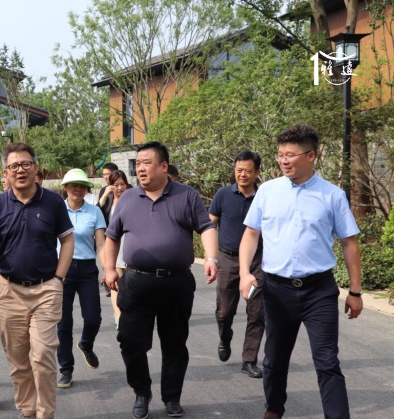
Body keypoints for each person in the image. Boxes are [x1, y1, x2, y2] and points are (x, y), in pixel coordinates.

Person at [239, 125, 363, 419]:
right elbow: (251, 234)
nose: (284, 160)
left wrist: (355, 291)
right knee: (274, 358)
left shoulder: (332, 195)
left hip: (318, 290)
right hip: (277, 289)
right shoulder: (268, 191)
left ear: (311, 156)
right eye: (280, 154)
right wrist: (244, 272)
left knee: (327, 361)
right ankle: (273, 409)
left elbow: (349, 243)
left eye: (290, 155)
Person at [104, 141, 218, 419]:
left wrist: (211, 258)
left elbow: (206, 227)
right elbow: (112, 236)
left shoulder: (186, 195)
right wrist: (109, 268)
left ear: (164, 166)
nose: (140, 169)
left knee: (175, 343)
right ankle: (141, 392)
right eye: (138, 164)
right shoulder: (128, 198)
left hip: (176, 283)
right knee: (130, 341)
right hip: (136, 281)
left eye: (147, 163)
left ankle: (172, 397)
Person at [0, 142, 74, 419]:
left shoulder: (53, 202)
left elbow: (67, 240)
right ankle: (27, 411)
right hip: (9, 290)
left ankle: (45, 414)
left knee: (42, 356)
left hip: (46, 289)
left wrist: (59, 278)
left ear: (35, 168)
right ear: (5, 172)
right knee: (18, 361)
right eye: (14, 166)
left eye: (26, 164)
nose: (20, 170)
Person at [209, 150, 265, 378]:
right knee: (224, 311)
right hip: (228, 259)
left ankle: (249, 360)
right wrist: (211, 257)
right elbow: (209, 226)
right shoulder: (223, 194)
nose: (242, 175)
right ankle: (225, 336)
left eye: (248, 171)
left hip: (258, 261)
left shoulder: (264, 196)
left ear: (257, 172)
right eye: (239, 170)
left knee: (257, 312)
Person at [56, 168, 106, 389]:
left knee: (93, 318)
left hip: (87, 270)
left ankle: (86, 343)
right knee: (63, 323)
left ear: (87, 189)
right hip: (61, 270)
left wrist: (107, 269)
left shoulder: (95, 212)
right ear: (65, 188)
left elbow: (101, 244)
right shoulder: (57, 210)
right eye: (73, 185)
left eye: (82, 186)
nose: (77, 189)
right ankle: (66, 369)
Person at [98, 170, 130, 322]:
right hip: (113, 246)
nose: (120, 188)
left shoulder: (133, 199)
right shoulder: (108, 201)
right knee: (115, 283)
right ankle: (118, 315)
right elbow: (96, 215)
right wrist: (105, 195)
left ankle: (128, 312)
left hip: (129, 244)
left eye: (122, 184)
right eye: (116, 185)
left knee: (129, 283)